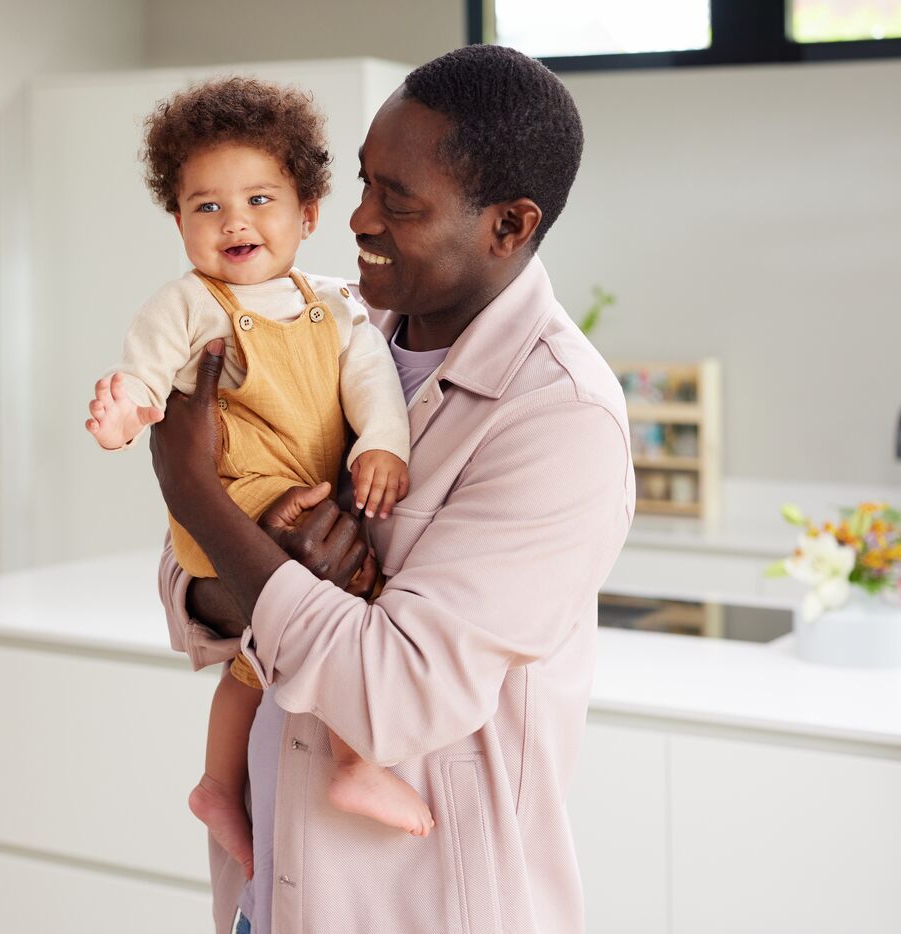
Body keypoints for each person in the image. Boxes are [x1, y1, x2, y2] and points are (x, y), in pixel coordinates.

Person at [151, 45, 635, 934]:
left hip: (417, 909)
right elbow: (190, 589)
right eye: (365, 183)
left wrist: (198, 496)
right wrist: (259, 554)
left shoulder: (560, 418)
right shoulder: (334, 327)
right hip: (268, 893)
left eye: (398, 202)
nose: (359, 219)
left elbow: (396, 694)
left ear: (509, 225)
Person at [85, 77, 434, 883]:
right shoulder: (189, 306)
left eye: (259, 199)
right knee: (346, 592)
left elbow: (372, 386)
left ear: (308, 214)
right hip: (238, 495)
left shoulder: (339, 307)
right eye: (205, 207)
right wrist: (124, 411)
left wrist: (382, 443)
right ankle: (356, 759)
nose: (233, 221)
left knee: (259, 651)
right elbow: (145, 376)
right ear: (177, 223)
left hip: (304, 494)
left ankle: (216, 786)